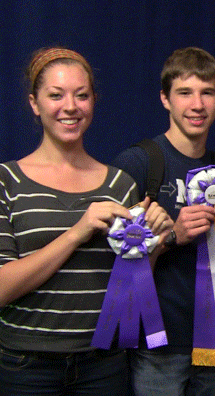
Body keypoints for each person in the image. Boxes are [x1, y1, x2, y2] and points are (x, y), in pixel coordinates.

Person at [0, 47, 172, 395]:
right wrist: (77, 232)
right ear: (35, 103)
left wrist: (155, 245)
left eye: (82, 95)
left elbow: (131, 300)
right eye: (55, 95)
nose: (70, 106)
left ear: (93, 101)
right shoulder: (7, 182)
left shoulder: (119, 184)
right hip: (25, 366)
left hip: (103, 367)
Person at [113, 47, 215, 396]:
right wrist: (170, 236)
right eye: (184, 93)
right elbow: (116, 268)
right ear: (165, 99)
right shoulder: (139, 163)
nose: (197, 105)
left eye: (207, 93)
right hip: (158, 345)